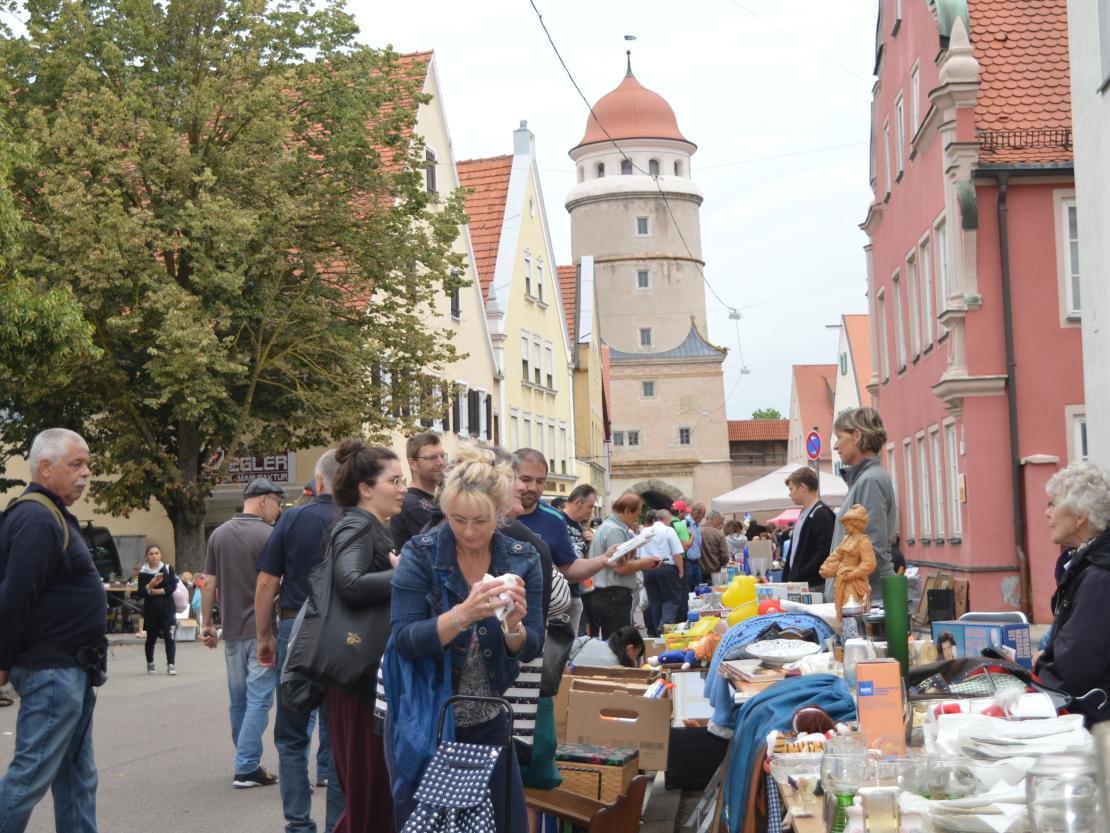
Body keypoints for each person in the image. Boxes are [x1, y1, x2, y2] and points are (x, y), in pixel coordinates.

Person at [389, 445, 543, 831]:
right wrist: (462, 615)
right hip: (427, 717)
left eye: (481, 520)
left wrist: (513, 625)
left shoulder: (523, 556)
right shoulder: (420, 553)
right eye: (458, 519)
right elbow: (405, 640)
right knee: (430, 823)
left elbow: (530, 646)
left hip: (488, 718)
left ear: (500, 512)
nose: (469, 532)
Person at [0, 428, 106, 833]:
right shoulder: (35, 517)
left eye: (88, 465)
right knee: (28, 779)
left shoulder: (49, 514)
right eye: (76, 464)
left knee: (78, 778)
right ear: (45, 467)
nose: (86, 474)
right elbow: (13, 599)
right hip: (52, 673)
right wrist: (2, 664)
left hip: (71, 670)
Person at [256, 450, 344, 833]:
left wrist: (264, 635)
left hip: (296, 629)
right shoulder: (361, 520)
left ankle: (298, 823)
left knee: (291, 735)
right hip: (346, 636)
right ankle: (339, 822)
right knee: (341, 734)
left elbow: (266, 582)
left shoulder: (292, 518)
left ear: (319, 480)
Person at [319, 441, 403, 831]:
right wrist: (406, 574)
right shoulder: (356, 523)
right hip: (359, 679)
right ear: (366, 488)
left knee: (372, 795)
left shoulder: (368, 525)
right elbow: (349, 583)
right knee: (369, 795)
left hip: (363, 676)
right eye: (395, 481)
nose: (402, 488)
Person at [202, 477, 285, 788]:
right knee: (260, 700)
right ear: (263, 500)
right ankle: (246, 766)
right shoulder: (270, 535)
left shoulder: (218, 535)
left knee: (238, 701)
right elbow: (276, 583)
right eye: (277, 503)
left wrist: (207, 624)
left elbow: (208, 582)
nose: (278, 510)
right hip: (263, 630)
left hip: (232, 631)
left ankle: (245, 759)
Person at [1035, 462, 1110, 724]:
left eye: (1053, 503)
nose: (1047, 513)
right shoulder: (1083, 564)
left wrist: (1034, 681)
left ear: (1080, 516)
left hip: (1092, 722)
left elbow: (1073, 667)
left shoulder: (1100, 576)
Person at [514, 449, 612, 605]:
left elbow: (568, 567)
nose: (533, 487)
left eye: (540, 481)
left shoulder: (554, 519)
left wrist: (604, 560)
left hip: (539, 614)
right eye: (526, 479)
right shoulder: (490, 513)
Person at [828, 408, 897, 603]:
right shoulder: (864, 479)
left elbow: (871, 550)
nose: (835, 446)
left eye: (839, 437)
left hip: (865, 601)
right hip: (861, 598)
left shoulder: (870, 480)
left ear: (857, 436)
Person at [587, 493, 660, 637]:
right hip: (613, 595)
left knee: (613, 640)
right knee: (617, 643)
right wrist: (643, 563)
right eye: (636, 515)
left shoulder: (608, 526)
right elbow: (620, 568)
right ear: (627, 511)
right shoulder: (615, 530)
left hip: (607, 594)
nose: (636, 520)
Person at [390, 432, 447, 552]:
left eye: (442, 456)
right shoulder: (412, 504)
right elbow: (441, 547)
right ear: (413, 464)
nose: (441, 462)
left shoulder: (428, 499)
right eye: (432, 458)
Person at [783, 467, 836, 590]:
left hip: (814, 584)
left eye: (791, 489)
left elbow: (825, 551)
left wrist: (801, 574)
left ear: (803, 487)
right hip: (802, 583)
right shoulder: (804, 513)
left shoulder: (820, 513)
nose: (789, 494)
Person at [639, 510, 685, 637]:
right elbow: (676, 553)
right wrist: (681, 570)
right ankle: (665, 624)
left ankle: (657, 629)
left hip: (648, 569)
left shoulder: (644, 531)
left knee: (655, 601)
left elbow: (638, 555)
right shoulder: (668, 530)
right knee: (671, 598)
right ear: (666, 519)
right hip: (666, 567)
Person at [559, 483, 598, 634]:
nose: (591, 512)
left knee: (573, 640)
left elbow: (584, 559)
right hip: (560, 592)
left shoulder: (579, 526)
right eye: (590, 506)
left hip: (576, 591)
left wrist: (589, 544)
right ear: (578, 503)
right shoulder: (558, 521)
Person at [137, 543, 179, 675]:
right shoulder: (143, 572)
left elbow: (173, 586)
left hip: (167, 608)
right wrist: (150, 585)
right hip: (151, 610)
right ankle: (150, 663)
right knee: (151, 638)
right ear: (147, 556)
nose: (154, 556)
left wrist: (160, 590)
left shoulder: (167, 568)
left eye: (156, 553)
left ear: (160, 555)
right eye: (151, 554)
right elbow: (141, 592)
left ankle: (171, 664)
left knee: (169, 637)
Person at [569, 626, 645, 668]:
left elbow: (566, 648)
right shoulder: (618, 668)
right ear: (630, 648)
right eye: (636, 655)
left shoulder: (589, 640)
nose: (635, 659)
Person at [699, 510, 729, 583]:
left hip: (698, 571)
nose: (720, 524)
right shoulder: (719, 534)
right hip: (714, 571)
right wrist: (721, 565)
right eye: (720, 522)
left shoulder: (697, 531)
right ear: (716, 519)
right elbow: (725, 556)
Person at [684, 503, 706, 592]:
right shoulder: (685, 524)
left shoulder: (697, 525)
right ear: (696, 513)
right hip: (688, 562)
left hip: (696, 562)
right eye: (702, 515)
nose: (703, 518)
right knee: (689, 590)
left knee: (698, 590)